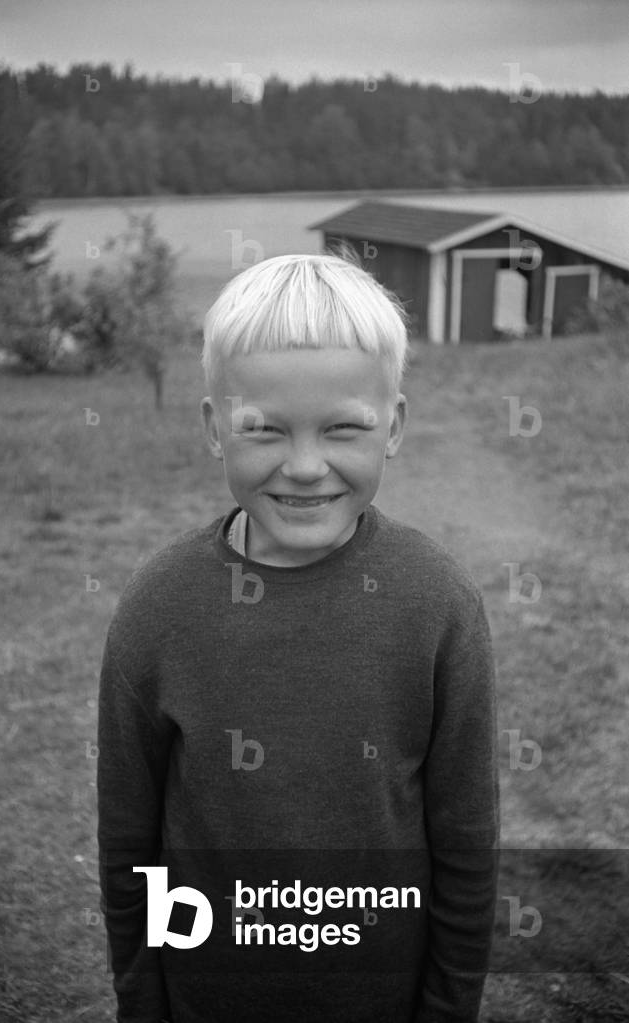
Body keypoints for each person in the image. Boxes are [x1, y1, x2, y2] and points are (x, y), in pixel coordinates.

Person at [97, 252, 500, 1023]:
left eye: (343, 428)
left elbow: (464, 844)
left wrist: (448, 1007)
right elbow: (128, 844)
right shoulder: (158, 609)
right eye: (265, 430)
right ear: (215, 429)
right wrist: (142, 1001)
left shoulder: (438, 604)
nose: (306, 466)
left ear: (395, 428)